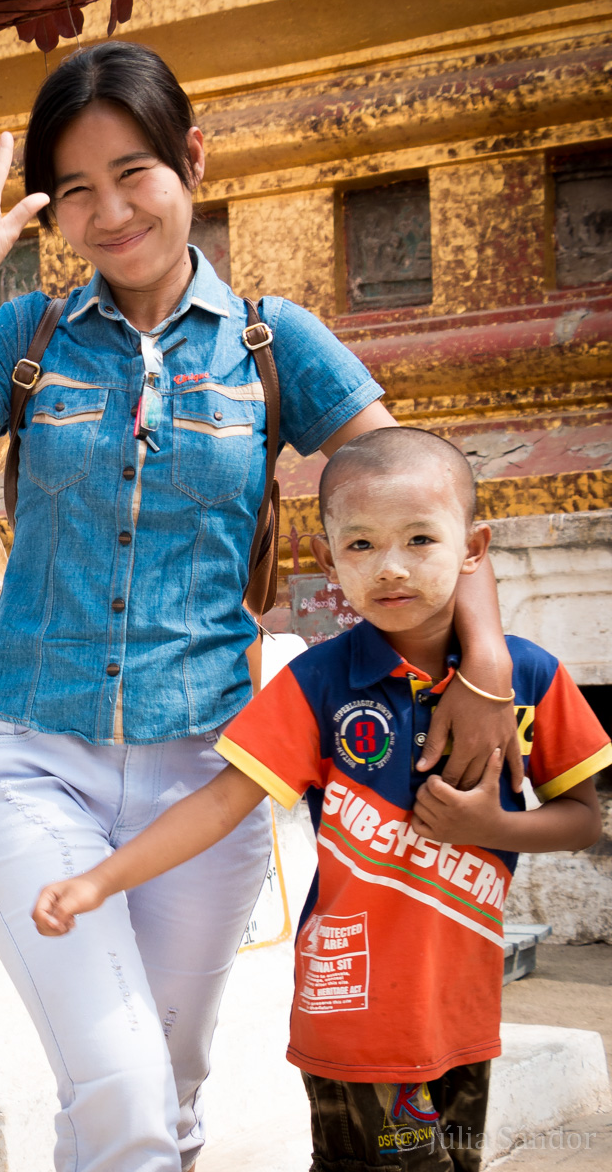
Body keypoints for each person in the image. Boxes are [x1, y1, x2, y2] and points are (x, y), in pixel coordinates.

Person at [0, 39, 524, 1172]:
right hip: (32, 759)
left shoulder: (273, 346)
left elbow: (427, 498)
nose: (109, 212)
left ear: (190, 162)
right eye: (74, 190)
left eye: (133, 173)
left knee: (166, 1093)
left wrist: (486, 669)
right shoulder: (27, 341)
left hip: (210, 780)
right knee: (116, 1087)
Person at [32, 427, 610, 1172]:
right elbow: (221, 802)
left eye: (420, 540)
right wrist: (98, 881)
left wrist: (491, 825)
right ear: (324, 558)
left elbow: (583, 819)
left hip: (465, 1013)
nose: (391, 567)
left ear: (474, 548)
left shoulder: (528, 678)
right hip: (353, 1011)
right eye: (361, 545)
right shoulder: (318, 684)